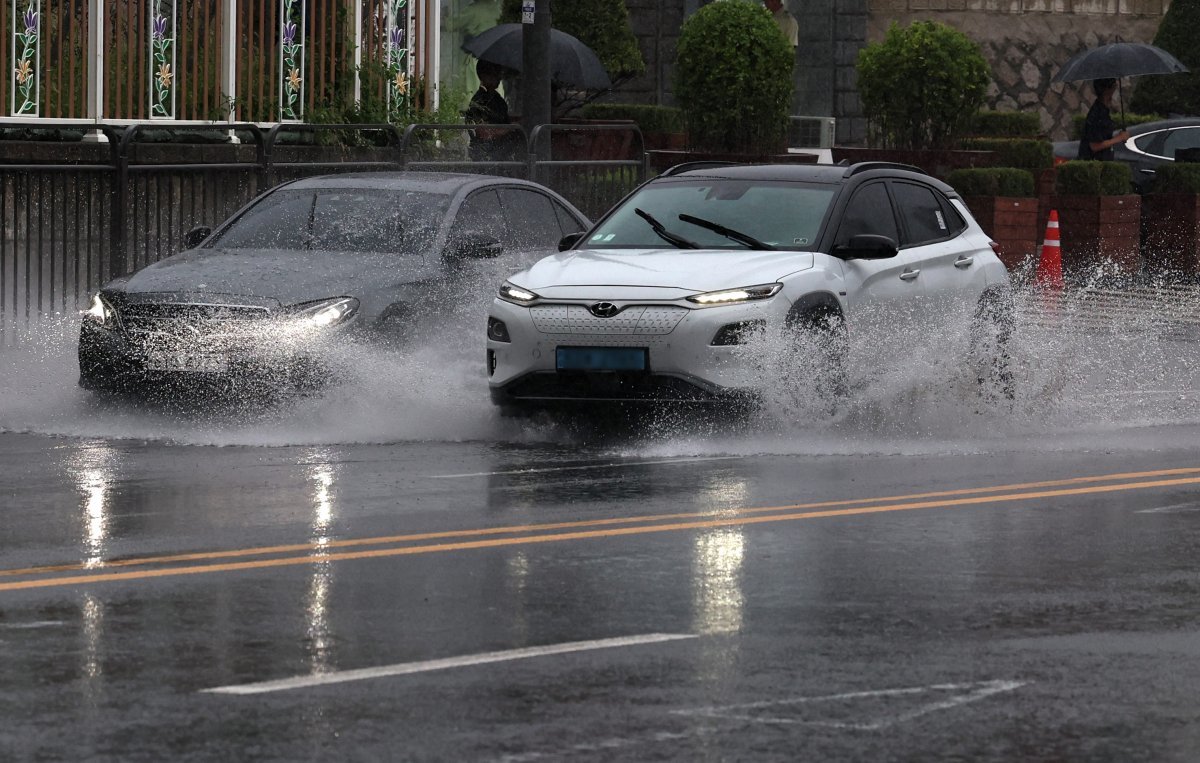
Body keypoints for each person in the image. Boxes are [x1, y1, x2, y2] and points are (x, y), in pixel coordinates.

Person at [464, 60, 521, 161]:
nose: (499, 78)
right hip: (489, 155)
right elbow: (483, 133)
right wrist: (510, 128)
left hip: (502, 152)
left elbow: (502, 119)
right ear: (483, 76)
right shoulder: (480, 101)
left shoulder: (496, 98)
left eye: (499, 74)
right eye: (494, 74)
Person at [1077, 77, 1131, 161]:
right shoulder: (1097, 113)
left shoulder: (1104, 110)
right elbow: (1094, 145)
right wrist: (1119, 138)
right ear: (1108, 89)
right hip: (1094, 163)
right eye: (1114, 85)